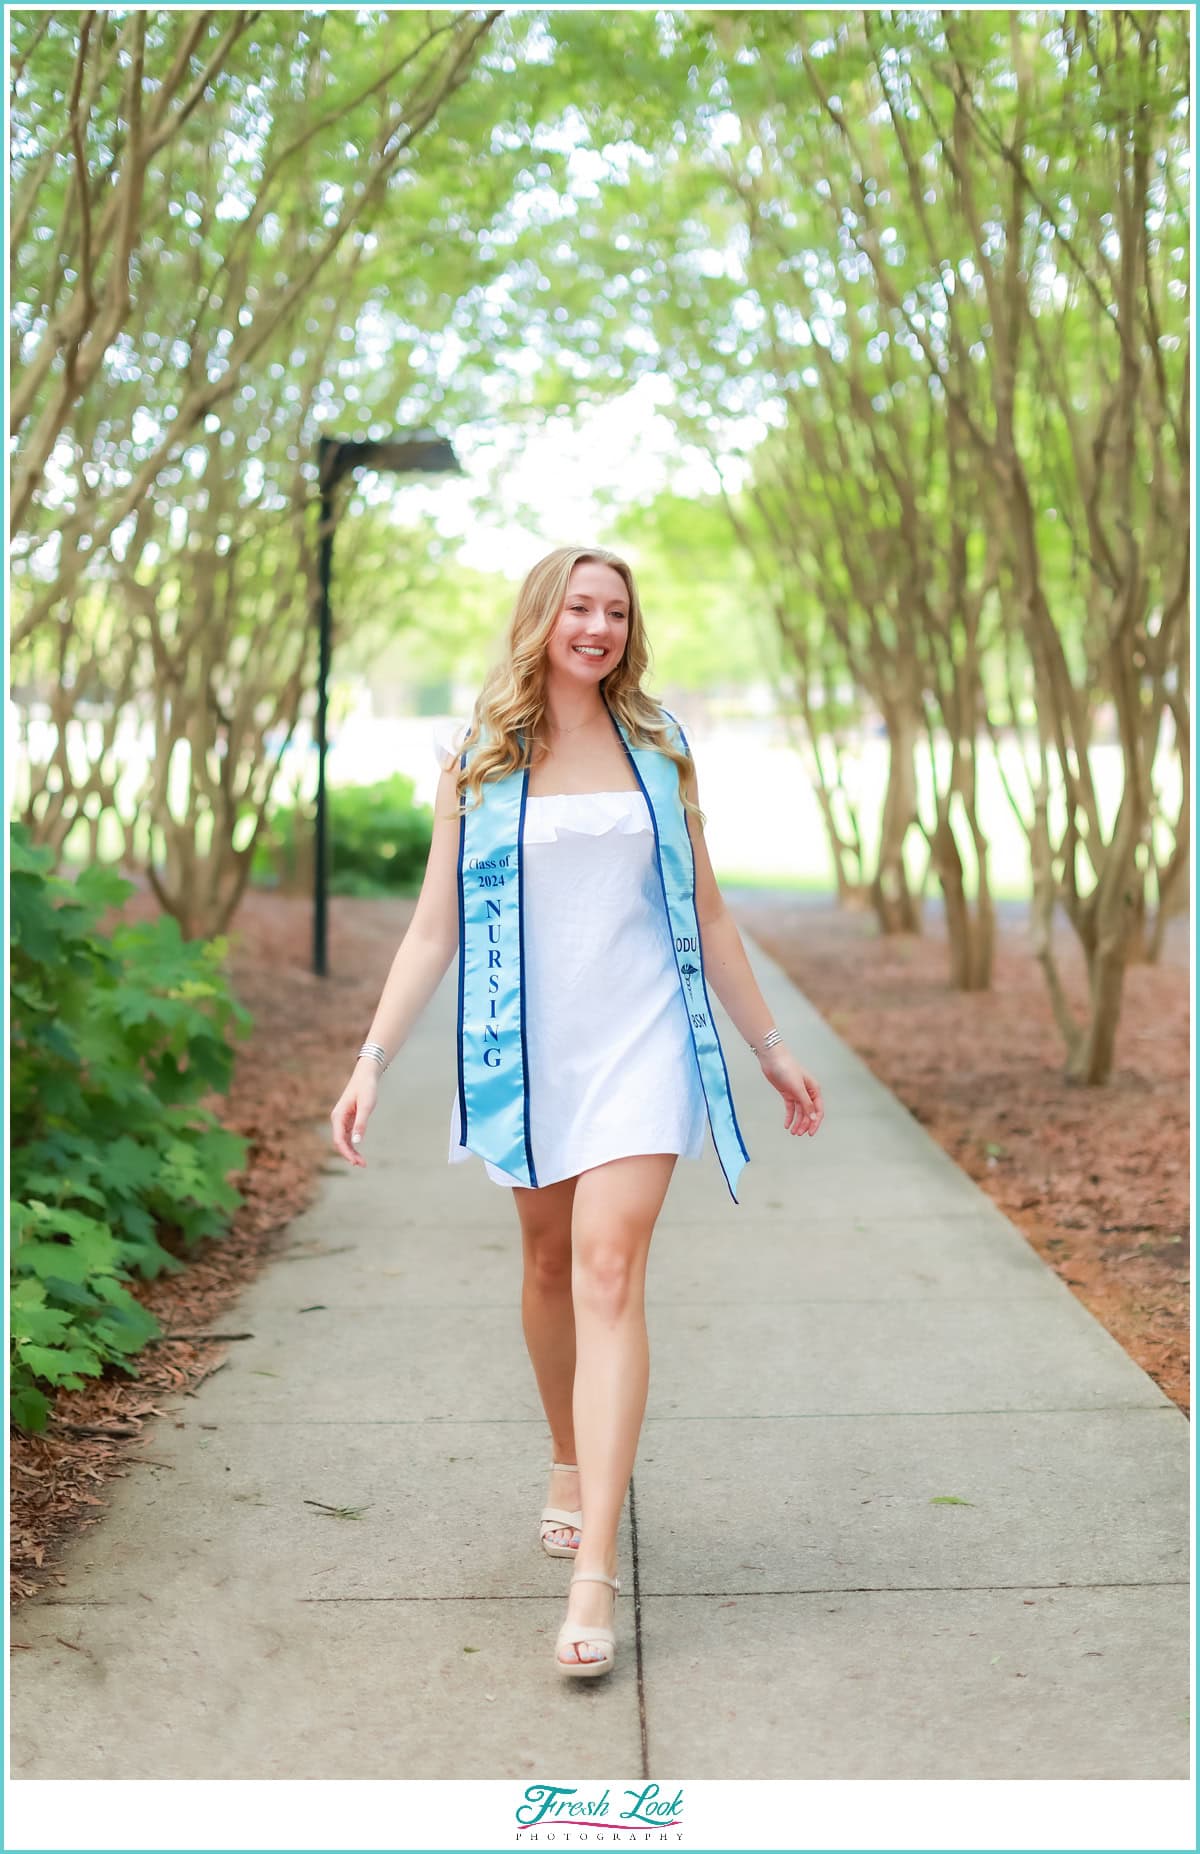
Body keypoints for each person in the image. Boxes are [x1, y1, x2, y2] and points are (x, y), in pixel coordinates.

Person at [329, 543, 823, 1679]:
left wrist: (772, 1050)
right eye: (578, 607)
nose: (597, 627)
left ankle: (595, 1566)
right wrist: (371, 1062)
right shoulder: (478, 756)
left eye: (615, 610)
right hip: (524, 1049)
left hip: (644, 1041)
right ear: (542, 618)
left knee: (607, 1270)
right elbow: (431, 930)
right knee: (548, 1265)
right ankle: (566, 1451)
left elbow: (707, 909)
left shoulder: (662, 746)